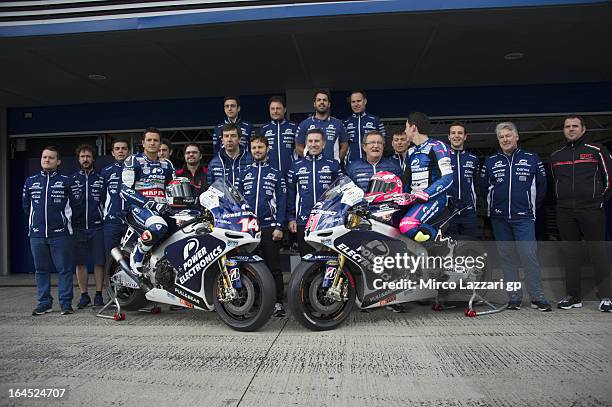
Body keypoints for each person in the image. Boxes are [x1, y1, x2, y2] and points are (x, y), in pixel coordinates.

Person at [481, 122, 551, 312]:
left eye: (508, 136)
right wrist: (493, 210)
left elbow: (542, 187)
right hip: (499, 218)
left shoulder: (532, 158)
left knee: (529, 256)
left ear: (517, 137)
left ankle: (537, 297)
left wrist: (529, 208)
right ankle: (514, 297)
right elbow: (484, 188)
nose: (505, 139)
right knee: (507, 258)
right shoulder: (490, 161)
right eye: (501, 137)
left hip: (524, 218)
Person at [551, 115, 612, 312]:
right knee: (571, 254)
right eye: (567, 126)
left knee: (598, 253)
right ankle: (573, 296)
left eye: (575, 126)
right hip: (565, 212)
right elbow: (555, 183)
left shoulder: (597, 151)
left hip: (592, 210)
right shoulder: (556, 155)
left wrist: (597, 200)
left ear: (583, 129)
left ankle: (606, 297)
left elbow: (609, 180)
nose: (571, 129)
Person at [23, 146, 81, 315]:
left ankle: (65, 303)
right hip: (37, 234)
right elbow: (26, 206)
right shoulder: (30, 181)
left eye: (51, 158)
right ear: (41, 160)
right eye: (44, 157)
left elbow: (76, 207)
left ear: (58, 161)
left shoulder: (66, 181)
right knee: (41, 269)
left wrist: (63, 222)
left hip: (61, 234)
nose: (47, 160)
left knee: (64, 269)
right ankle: (44, 303)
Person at [239, 135, 287, 317]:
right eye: (254, 148)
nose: (257, 150)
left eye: (260, 147)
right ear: (250, 150)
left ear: (267, 149)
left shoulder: (276, 173)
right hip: (249, 228)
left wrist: (279, 226)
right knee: (249, 268)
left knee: (273, 267)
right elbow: (238, 201)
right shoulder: (244, 173)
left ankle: (277, 303)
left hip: (270, 227)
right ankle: (255, 301)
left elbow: (282, 201)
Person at [120, 128, 175, 275]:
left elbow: (173, 188)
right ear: (143, 143)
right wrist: (147, 202)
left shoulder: (167, 165)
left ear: (160, 144)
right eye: (149, 140)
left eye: (155, 140)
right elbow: (124, 190)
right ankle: (137, 253)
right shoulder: (133, 160)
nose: (152, 143)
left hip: (162, 209)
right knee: (158, 226)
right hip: (139, 208)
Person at [400, 112, 453, 242]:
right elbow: (406, 181)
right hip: (414, 200)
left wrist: (426, 193)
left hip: (434, 199)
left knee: (407, 225)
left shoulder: (437, 146)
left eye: (406, 127)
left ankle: (441, 242)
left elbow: (448, 177)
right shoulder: (411, 151)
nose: (405, 131)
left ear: (413, 128)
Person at [287, 129, 341, 256]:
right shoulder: (296, 165)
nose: (313, 144)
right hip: (303, 220)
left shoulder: (333, 165)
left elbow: (340, 193)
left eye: (317, 141)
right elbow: (290, 194)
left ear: (323, 144)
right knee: (306, 259)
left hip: (327, 220)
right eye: (310, 141)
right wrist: (291, 218)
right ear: (306, 143)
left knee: (329, 259)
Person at [71, 144, 106, 309]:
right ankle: (84, 295)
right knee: (80, 263)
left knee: (100, 262)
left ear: (93, 159)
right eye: (82, 156)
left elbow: (107, 202)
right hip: (78, 228)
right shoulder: (71, 180)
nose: (85, 159)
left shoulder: (101, 179)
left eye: (88, 156)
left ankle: (99, 294)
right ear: (78, 159)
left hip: (97, 227)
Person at [446, 122, 480, 239]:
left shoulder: (473, 159)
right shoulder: (442, 158)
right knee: (449, 250)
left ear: (465, 137)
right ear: (449, 137)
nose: (456, 136)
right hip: (448, 212)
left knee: (470, 248)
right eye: (453, 133)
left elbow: (477, 185)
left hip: (468, 212)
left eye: (460, 133)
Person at [295, 90, 348, 163]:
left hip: (332, 168)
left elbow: (344, 146)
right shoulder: (304, 124)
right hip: (311, 167)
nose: (322, 102)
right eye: (319, 100)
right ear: (314, 104)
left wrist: (337, 161)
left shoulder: (338, 123)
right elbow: (298, 147)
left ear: (329, 104)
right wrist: (310, 160)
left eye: (324, 100)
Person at [101, 138, 130, 256]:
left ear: (128, 151)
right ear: (112, 152)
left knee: (133, 256)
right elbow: (101, 196)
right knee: (111, 257)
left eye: (124, 148)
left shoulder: (137, 169)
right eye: (117, 149)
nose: (120, 151)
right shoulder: (106, 171)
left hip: (132, 220)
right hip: (112, 221)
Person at [343, 90, 386, 164]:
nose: (356, 104)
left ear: (365, 101)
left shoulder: (376, 120)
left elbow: (383, 142)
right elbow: (342, 145)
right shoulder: (345, 122)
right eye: (353, 102)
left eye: (359, 101)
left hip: (373, 163)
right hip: (351, 163)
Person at [260, 96, 297, 176]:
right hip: (269, 173)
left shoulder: (294, 127)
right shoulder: (264, 129)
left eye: (278, 108)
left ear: (285, 110)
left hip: (291, 172)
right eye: (272, 109)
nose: (275, 111)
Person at [208, 123, 253, 188]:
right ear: (222, 140)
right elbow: (210, 189)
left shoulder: (251, 160)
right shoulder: (214, 163)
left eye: (233, 136)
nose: (229, 140)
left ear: (239, 139)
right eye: (226, 136)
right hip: (222, 198)